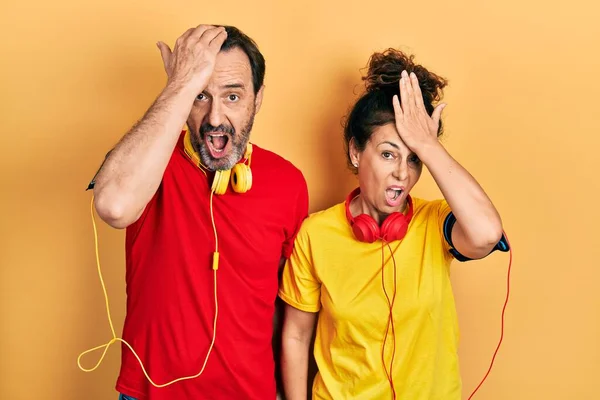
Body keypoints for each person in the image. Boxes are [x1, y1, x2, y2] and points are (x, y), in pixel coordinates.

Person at [86, 24, 309, 400]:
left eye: (233, 96)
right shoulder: (149, 163)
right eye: (200, 96)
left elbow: (288, 311)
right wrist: (180, 83)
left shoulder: (289, 183)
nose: (216, 118)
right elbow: (114, 205)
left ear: (259, 98)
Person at [277, 48, 509, 399]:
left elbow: (487, 233)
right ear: (356, 152)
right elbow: (296, 335)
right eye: (388, 154)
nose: (403, 172)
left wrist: (428, 145)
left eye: (413, 159)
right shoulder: (315, 234)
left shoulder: (436, 222)